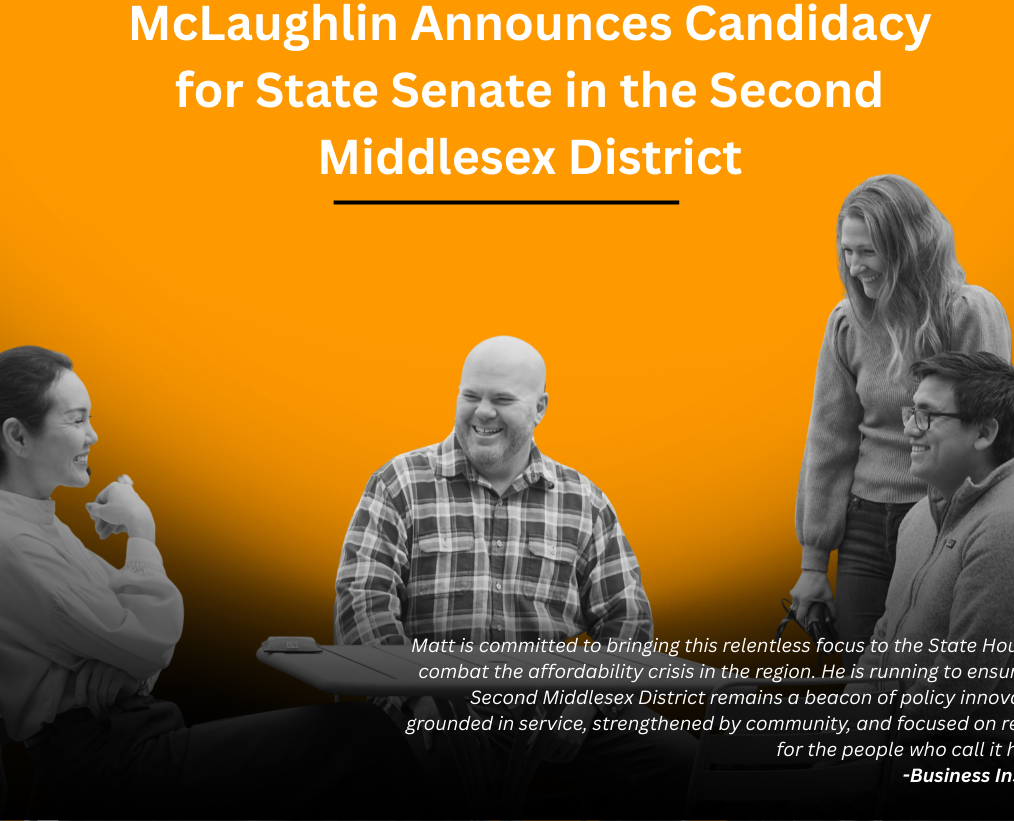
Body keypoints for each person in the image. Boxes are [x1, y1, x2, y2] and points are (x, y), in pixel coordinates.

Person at [0, 345, 427, 820]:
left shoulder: (41, 524)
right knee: (362, 735)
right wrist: (141, 529)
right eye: (77, 420)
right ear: (17, 436)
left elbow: (140, 645)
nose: (93, 435)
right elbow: (149, 639)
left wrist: (130, 668)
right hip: (114, 765)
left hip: (127, 736)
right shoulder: (13, 542)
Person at [334, 335, 697, 819]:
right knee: (412, 773)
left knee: (679, 762)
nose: (482, 412)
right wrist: (415, 697)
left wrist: (585, 704)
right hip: (430, 711)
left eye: (502, 399)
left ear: (540, 408)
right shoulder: (399, 483)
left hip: (549, 715)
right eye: (471, 395)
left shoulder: (584, 501)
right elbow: (361, 600)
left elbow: (628, 620)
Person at [790, 175, 1011, 665]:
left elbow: (988, 437)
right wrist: (813, 563)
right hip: (864, 525)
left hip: (943, 520)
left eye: (868, 251)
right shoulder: (846, 322)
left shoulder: (970, 312)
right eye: (847, 251)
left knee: (927, 682)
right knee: (860, 685)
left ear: (909, 246)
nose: (854, 266)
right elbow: (829, 441)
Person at [852, 351, 1014, 819]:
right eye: (911, 412)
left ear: (984, 432)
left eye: (928, 416)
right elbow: (884, 636)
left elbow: (958, 692)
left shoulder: (1011, 527)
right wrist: (842, 722)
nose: (909, 429)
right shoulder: (920, 516)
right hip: (903, 753)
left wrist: (856, 748)